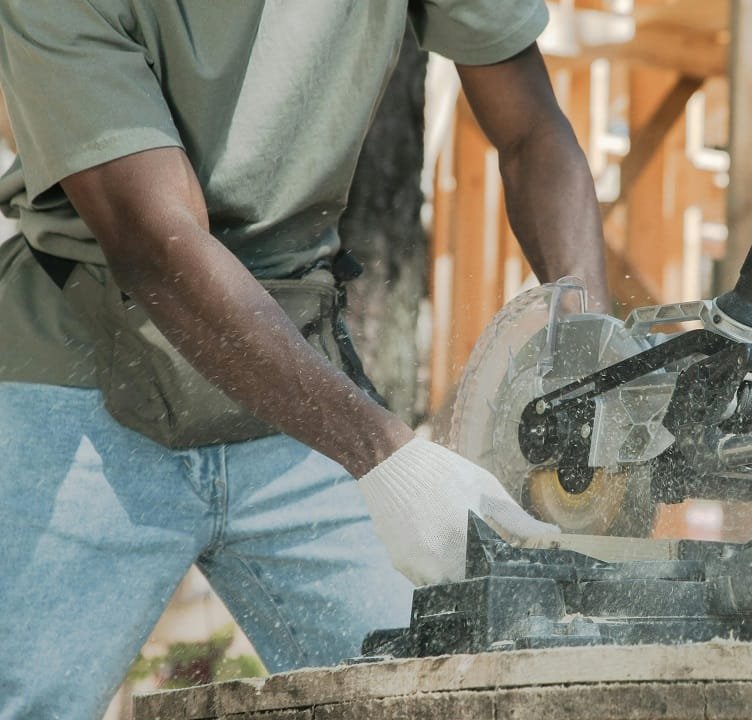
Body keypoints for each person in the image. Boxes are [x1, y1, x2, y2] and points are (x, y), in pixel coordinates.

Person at [0, 1, 609, 717]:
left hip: (298, 389)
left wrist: (585, 355)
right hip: (81, 383)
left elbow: (532, 132)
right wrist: (391, 461)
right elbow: (156, 245)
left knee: (450, 694)